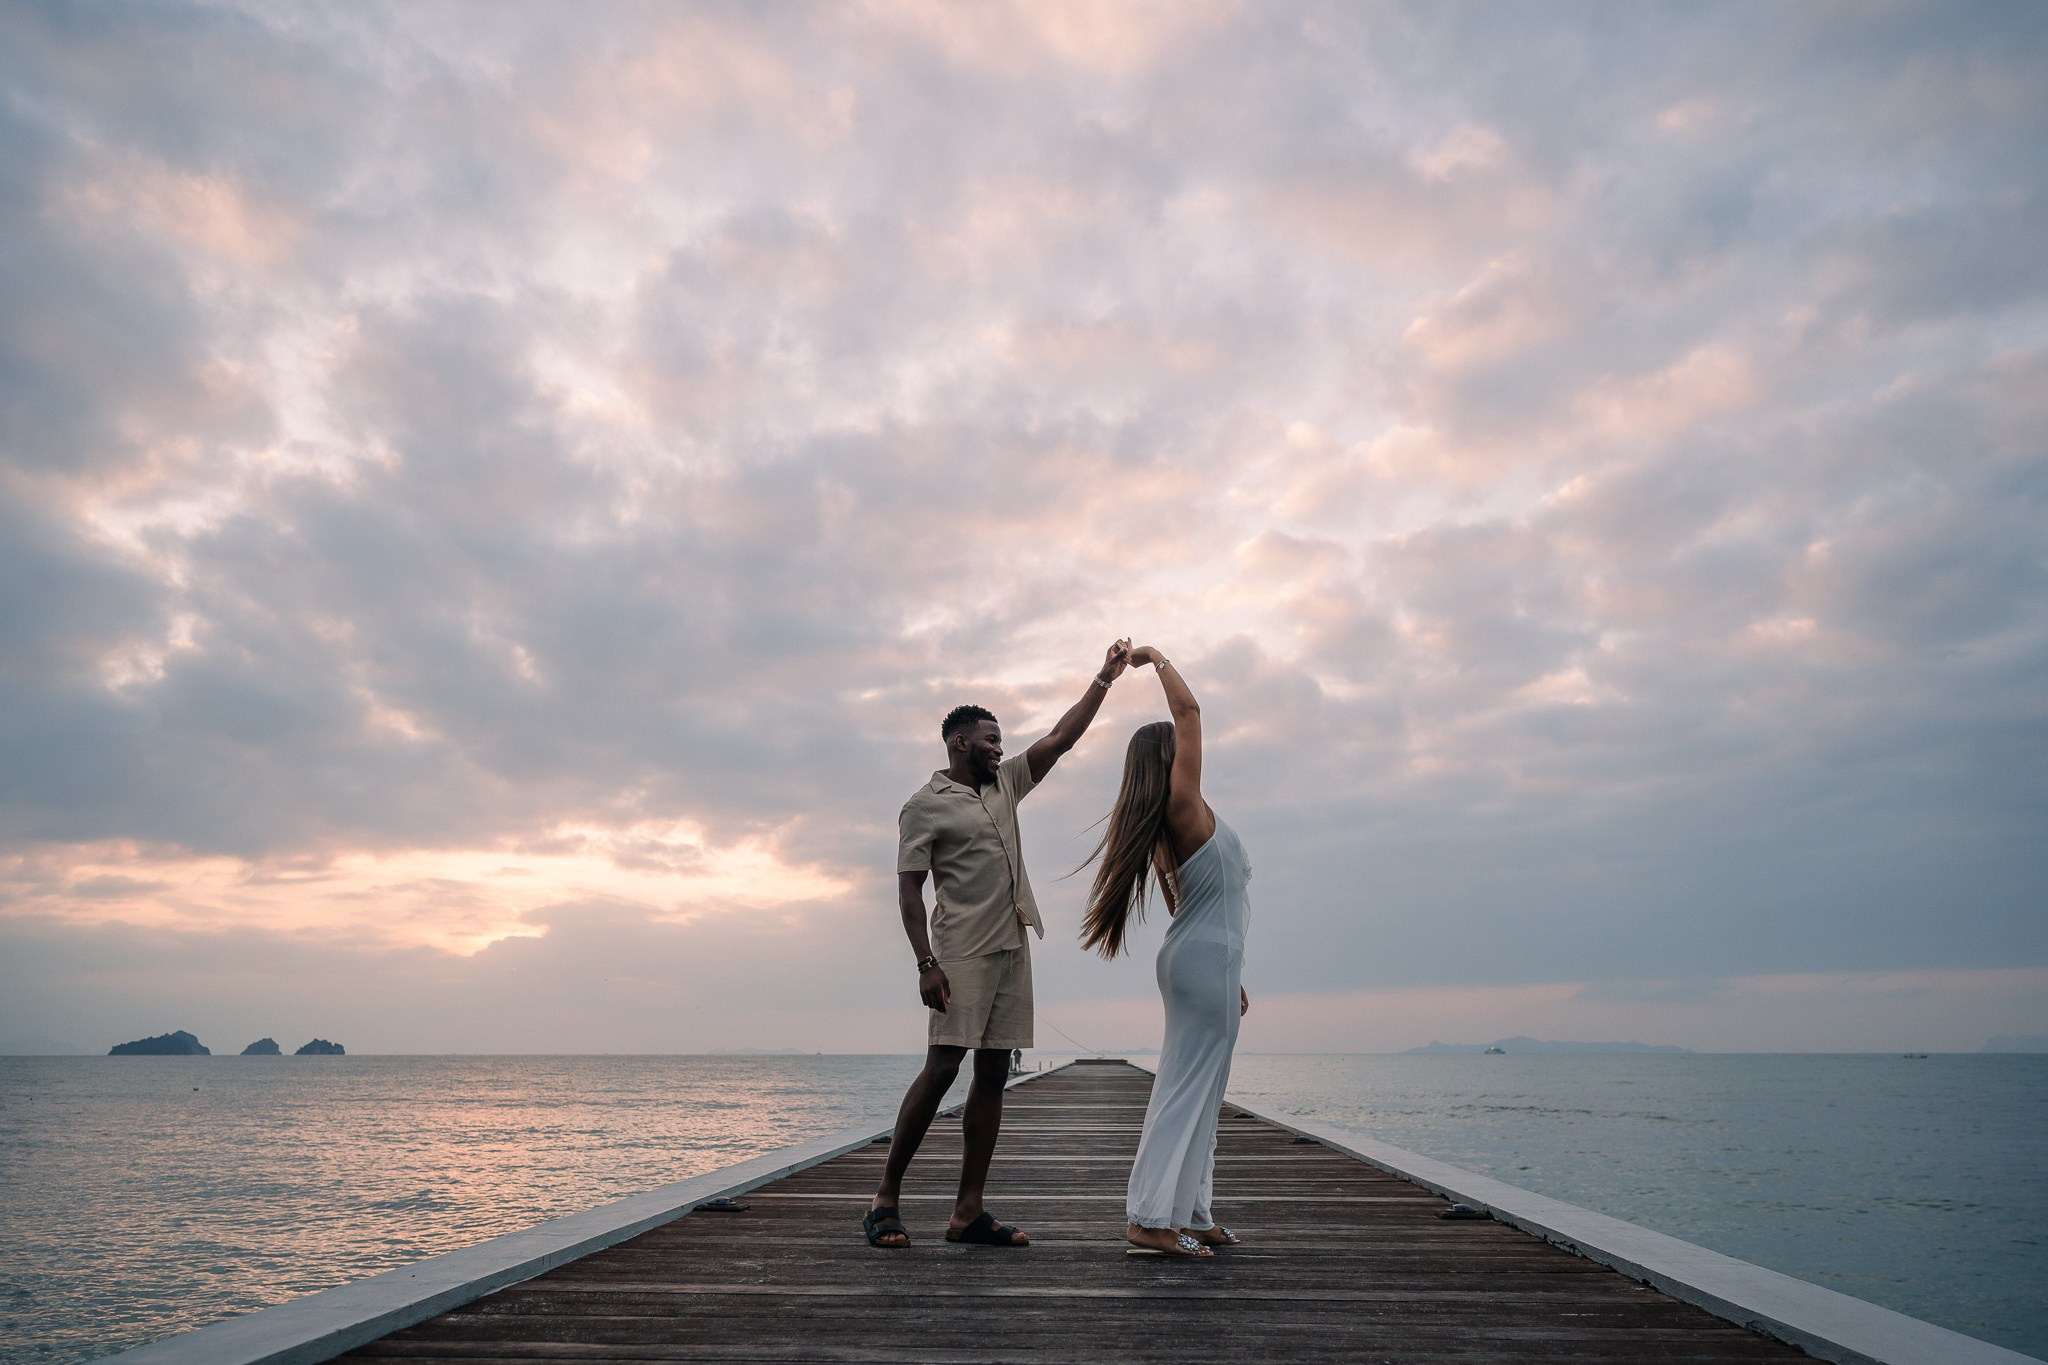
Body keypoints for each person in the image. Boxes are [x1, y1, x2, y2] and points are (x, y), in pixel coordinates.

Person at [864, 640, 1133, 1249]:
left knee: (992, 1074)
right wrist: (925, 963)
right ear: (960, 742)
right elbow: (909, 893)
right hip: (957, 952)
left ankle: (967, 1211)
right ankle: (884, 1198)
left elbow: (1060, 739)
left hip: (1013, 945)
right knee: (941, 1069)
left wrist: (1104, 679)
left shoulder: (1005, 785)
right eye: (990, 738)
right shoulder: (923, 806)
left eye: (1001, 739)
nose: (1000, 746)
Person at [1080, 645, 1251, 1258]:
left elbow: (1189, 904)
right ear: (1169, 758)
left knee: (1205, 1090)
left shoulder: (1174, 818)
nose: (1189, 752)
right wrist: (1156, 659)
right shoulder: (1182, 806)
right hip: (1200, 962)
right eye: (1178, 748)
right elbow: (1191, 712)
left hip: (1205, 962)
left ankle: (1193, 1210)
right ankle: (1149, 1219)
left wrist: (1229, 976)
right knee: (1185, 1088)